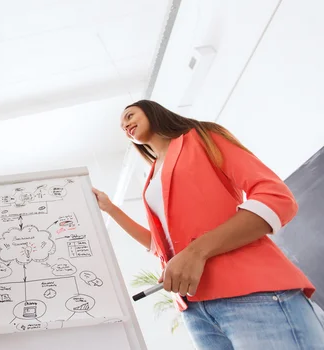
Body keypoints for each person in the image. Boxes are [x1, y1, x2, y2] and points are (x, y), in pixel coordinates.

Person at [93, 100, 324, 349]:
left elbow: (276, 198)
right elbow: (159, 246)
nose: (125, 124)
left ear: (152, 111)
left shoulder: (202, 137)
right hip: (195, 312)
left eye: (129, 115)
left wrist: (196, 251)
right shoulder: (152, 177)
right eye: (121, 125)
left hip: (250, 291)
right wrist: (110, 208)